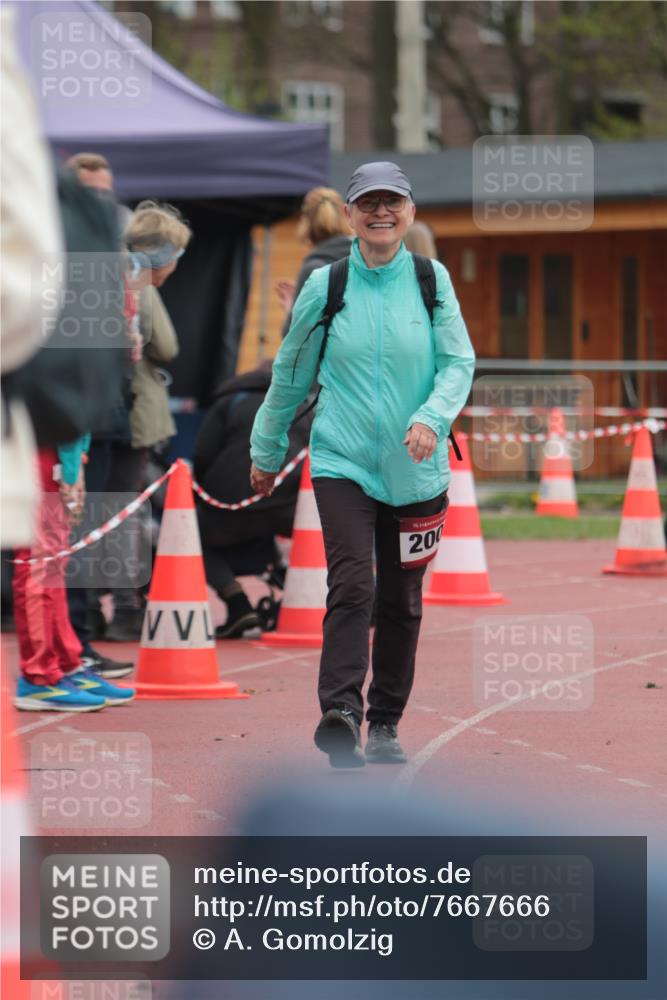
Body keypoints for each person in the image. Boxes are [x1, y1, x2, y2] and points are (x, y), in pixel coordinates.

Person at [250, 162, 475, 769]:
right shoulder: (328, 285)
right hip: (341, 459)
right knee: (352, 584)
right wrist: (265, 450)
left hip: (417, 470)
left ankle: (385, 723)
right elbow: (291, 373)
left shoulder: (432, 280)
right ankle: (341, 712)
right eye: (368, 203)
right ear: (349, 214)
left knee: (402, 599)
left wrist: (430, 417)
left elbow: (459, 363)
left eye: (392, 202)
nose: (381, 212)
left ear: (410, 212)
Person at [193, 361, 311, 638]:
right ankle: (306, 597)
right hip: (289, 505)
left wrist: (205, 496)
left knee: (188, 538)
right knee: (322, 543)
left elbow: (202, 455)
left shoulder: (230, 402)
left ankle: (237, 603)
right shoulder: (303, 405)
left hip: (230, 505)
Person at [276, 186, 352, 337]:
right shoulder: (366, 258)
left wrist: (292, 306)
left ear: (306, 221)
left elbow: (294, 336)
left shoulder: (314, 269)